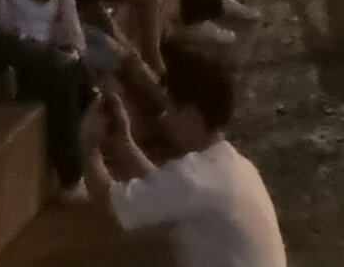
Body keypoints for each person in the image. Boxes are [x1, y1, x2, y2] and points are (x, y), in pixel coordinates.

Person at [81, 44, 286, 265]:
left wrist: (87, 143)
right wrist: (126, 145)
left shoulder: (195, 178)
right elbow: (170, 189)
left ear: (190, 114)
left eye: (170, 109)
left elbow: (112, 206)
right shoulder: (233, 165)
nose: (163, 119)